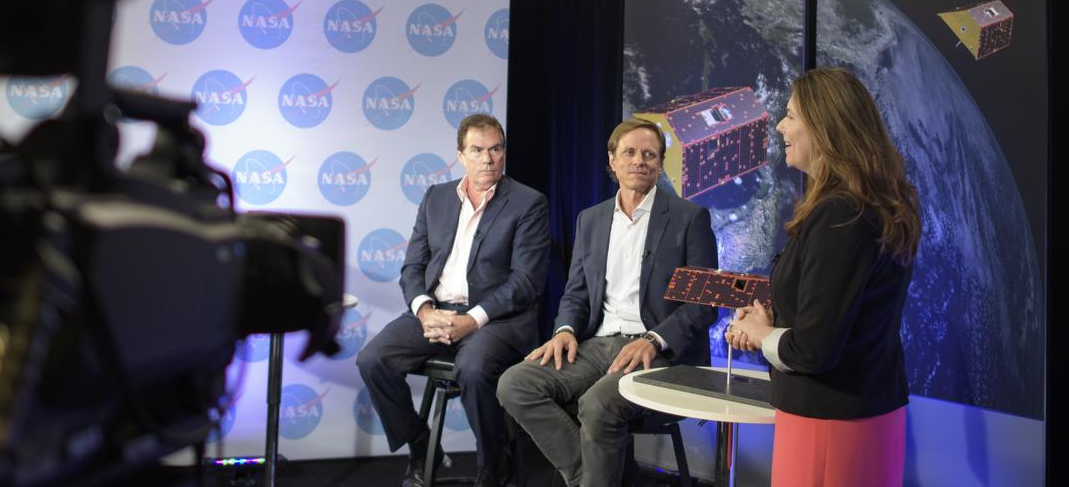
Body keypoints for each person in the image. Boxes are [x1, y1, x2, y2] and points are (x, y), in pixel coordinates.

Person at [496, 119, 717, 487]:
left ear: (661, 163)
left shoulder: (690, 218)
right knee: (514, 383)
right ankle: (592, 476)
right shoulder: (591, 220)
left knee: (598, 405)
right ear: (612, 160)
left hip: (659, 349)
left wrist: (654, 340)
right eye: (629, 152)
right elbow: (576, 292)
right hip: (597, 345)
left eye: (650, 154)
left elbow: (703, 305)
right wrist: (564, 329)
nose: (639, 161)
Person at [727, 67, 920, 487]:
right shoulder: (872, 205)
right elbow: (847, 313)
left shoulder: (840, 215)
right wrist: (772, 322)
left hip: (829, 427)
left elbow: (815, 350)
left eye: (791, 115)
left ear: (826, 128)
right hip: (864, 416)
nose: (780, 125)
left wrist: (762, 336)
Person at [356, 114, 550, 487]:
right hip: (437, 311)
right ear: (461, 155)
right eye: (477, 150)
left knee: (474, 370)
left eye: (495, 149)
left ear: (504, 152)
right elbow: (413, 266)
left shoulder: (528, 203)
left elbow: (526, 282)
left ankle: (495, 463)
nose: (488, 159)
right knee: (373, 359)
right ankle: (420, 445)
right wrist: (424, 310)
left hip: (497, 319)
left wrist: (473, 319)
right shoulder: (437, 197)